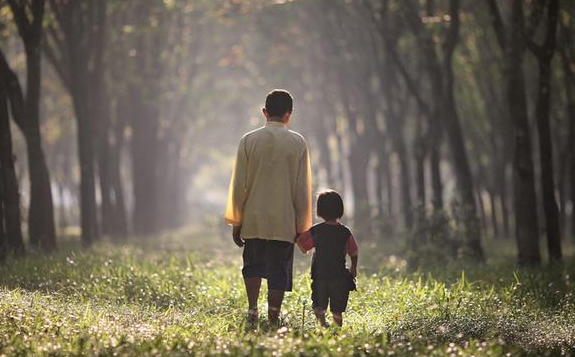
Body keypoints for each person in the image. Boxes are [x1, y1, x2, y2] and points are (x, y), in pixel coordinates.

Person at [224, 89, 312, 326]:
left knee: (252, 265)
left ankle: (252, 309)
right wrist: (303, 226)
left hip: (253, 218)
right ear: (288, 115)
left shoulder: (248, 140)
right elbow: (302, 188)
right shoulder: (298, 143)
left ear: (264, 112)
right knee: (278, 270)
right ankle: (273, 314)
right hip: (284, 221)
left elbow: (238, 184)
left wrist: (236, 220)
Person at [296, 190, 359, 327]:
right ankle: (337, 331)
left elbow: (303, 247)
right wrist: (354, 267)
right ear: (340, 209)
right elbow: (354, 251)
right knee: (337, 309)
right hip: (339, 276)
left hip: (320, 275)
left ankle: (323, 324)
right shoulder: (345, 231)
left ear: (320, 210)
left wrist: (297, 234)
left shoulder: (316, 230)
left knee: (318, 304)